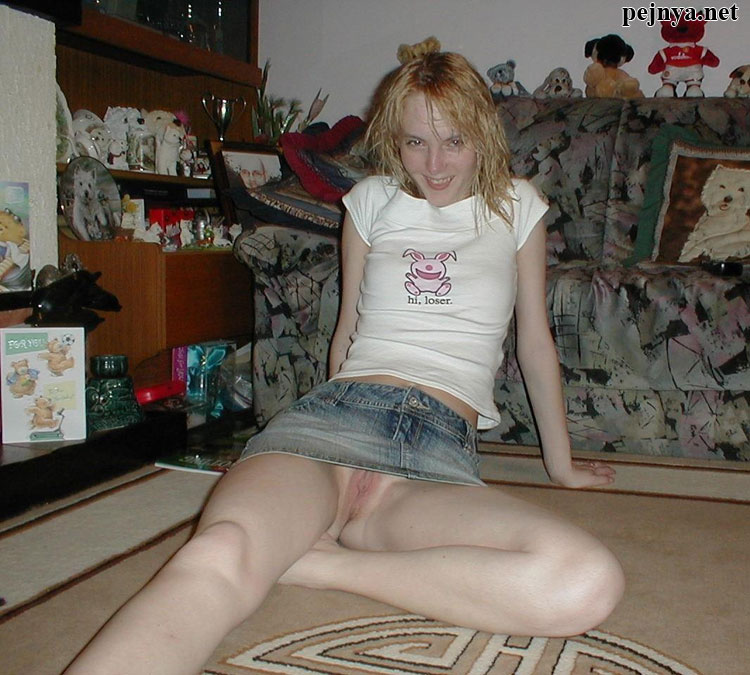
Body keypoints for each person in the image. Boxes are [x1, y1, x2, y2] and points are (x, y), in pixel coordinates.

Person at [64, 50, 624, 674]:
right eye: (415, 142)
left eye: (454, 142)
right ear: (394, 140)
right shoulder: (371, 200)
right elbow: (347, 333)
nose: (434, 164)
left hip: (435, 450)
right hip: (333, 420)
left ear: (483, 136)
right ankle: (309, 539)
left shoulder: (517, 206)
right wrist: (326, 433)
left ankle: (325, 563)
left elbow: (535, 343)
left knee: (584, 581)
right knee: (218, 553)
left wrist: (561, 465)